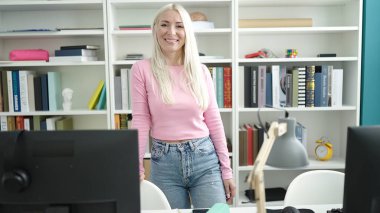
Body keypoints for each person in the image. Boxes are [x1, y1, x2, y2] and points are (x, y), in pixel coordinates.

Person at [130, 3, 235, 209]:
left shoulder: (201, 71)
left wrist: (227, 170)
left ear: (187, 31)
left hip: (204, 158)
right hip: (164, 161)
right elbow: (141, 120)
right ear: (155, 29)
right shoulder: (141, 69)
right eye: (164, 24)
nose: (171, 32)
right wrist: (136, 165)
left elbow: (213, 120)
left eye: (179, 26)